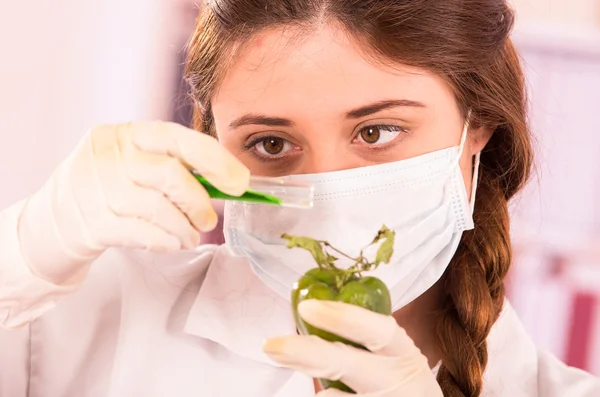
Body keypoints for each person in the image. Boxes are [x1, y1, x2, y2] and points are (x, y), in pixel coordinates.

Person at [1, 1, 599, 396]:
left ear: (478, 126)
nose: (329, 196)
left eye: (377, 132)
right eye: (270, 142)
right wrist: (26, 250)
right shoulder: (85, 319)